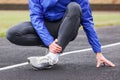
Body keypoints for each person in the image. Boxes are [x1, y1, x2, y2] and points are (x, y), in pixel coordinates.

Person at [6, 0, 115, 70]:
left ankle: (52, 56)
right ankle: (53, 46)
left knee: (74, 7)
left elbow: (87, 22)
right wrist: (49, 42)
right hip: (47, 26)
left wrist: (98, 51)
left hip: (67, 27)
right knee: (12, 33)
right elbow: (36, 18)